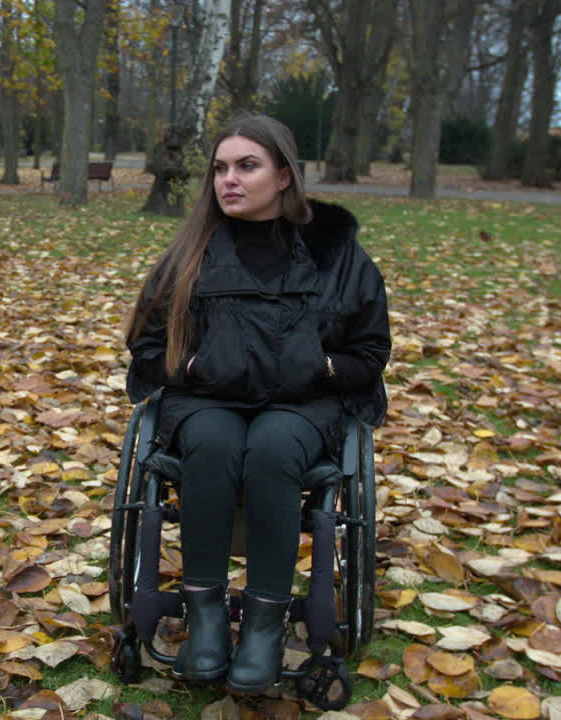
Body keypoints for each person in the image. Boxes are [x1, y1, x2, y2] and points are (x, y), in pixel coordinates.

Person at [123, 114, 391, 690]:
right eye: (220, 168)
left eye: (247, 166)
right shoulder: (191, 253)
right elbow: (146, 345)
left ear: (284, 176)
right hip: (205, 400)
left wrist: (320, 366)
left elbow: (370, 351)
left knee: (273, 447)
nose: (229, 180)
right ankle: (206, 617)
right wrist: (194, 367)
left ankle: (266, 625)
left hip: (304, 405)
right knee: (215, 442)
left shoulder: (337, 257)